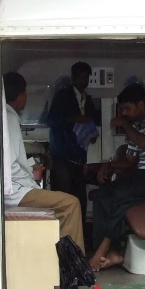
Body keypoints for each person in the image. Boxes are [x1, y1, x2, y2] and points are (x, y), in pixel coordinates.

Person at [88, 83, 145, 271]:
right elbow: (129, 161)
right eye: (122, 110)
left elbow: (144, 142)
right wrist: (108, 166)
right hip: (143, 176)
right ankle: (108, 250)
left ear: (141, 104)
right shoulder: (137, 126)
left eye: (128, 108)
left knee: (122, 195)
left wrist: (125, 124)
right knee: (102, 194)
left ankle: (104, 251)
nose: (125, 113)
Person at [3, 72, 85, 252]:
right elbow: (7, 166)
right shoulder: (8, 118)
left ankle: (57, 258)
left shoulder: (4, 117)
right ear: (21, 95)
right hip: (15, 194)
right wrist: (29, 180)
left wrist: (30, 174)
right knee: (71, 204)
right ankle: (73, 267)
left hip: (14, 190)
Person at [46, 62, 98, 223]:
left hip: (79, 159)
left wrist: (91, 132)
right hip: (62, 156)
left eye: (86, 78)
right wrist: (73, 118)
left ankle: (79, 240)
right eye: (80, 77)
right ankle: (62, 240)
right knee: (63, 199)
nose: (83, 81)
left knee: (79, 200)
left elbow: (91, 124)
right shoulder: (62, 96)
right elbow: (51, 121)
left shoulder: (88, 101)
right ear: (73, 78)